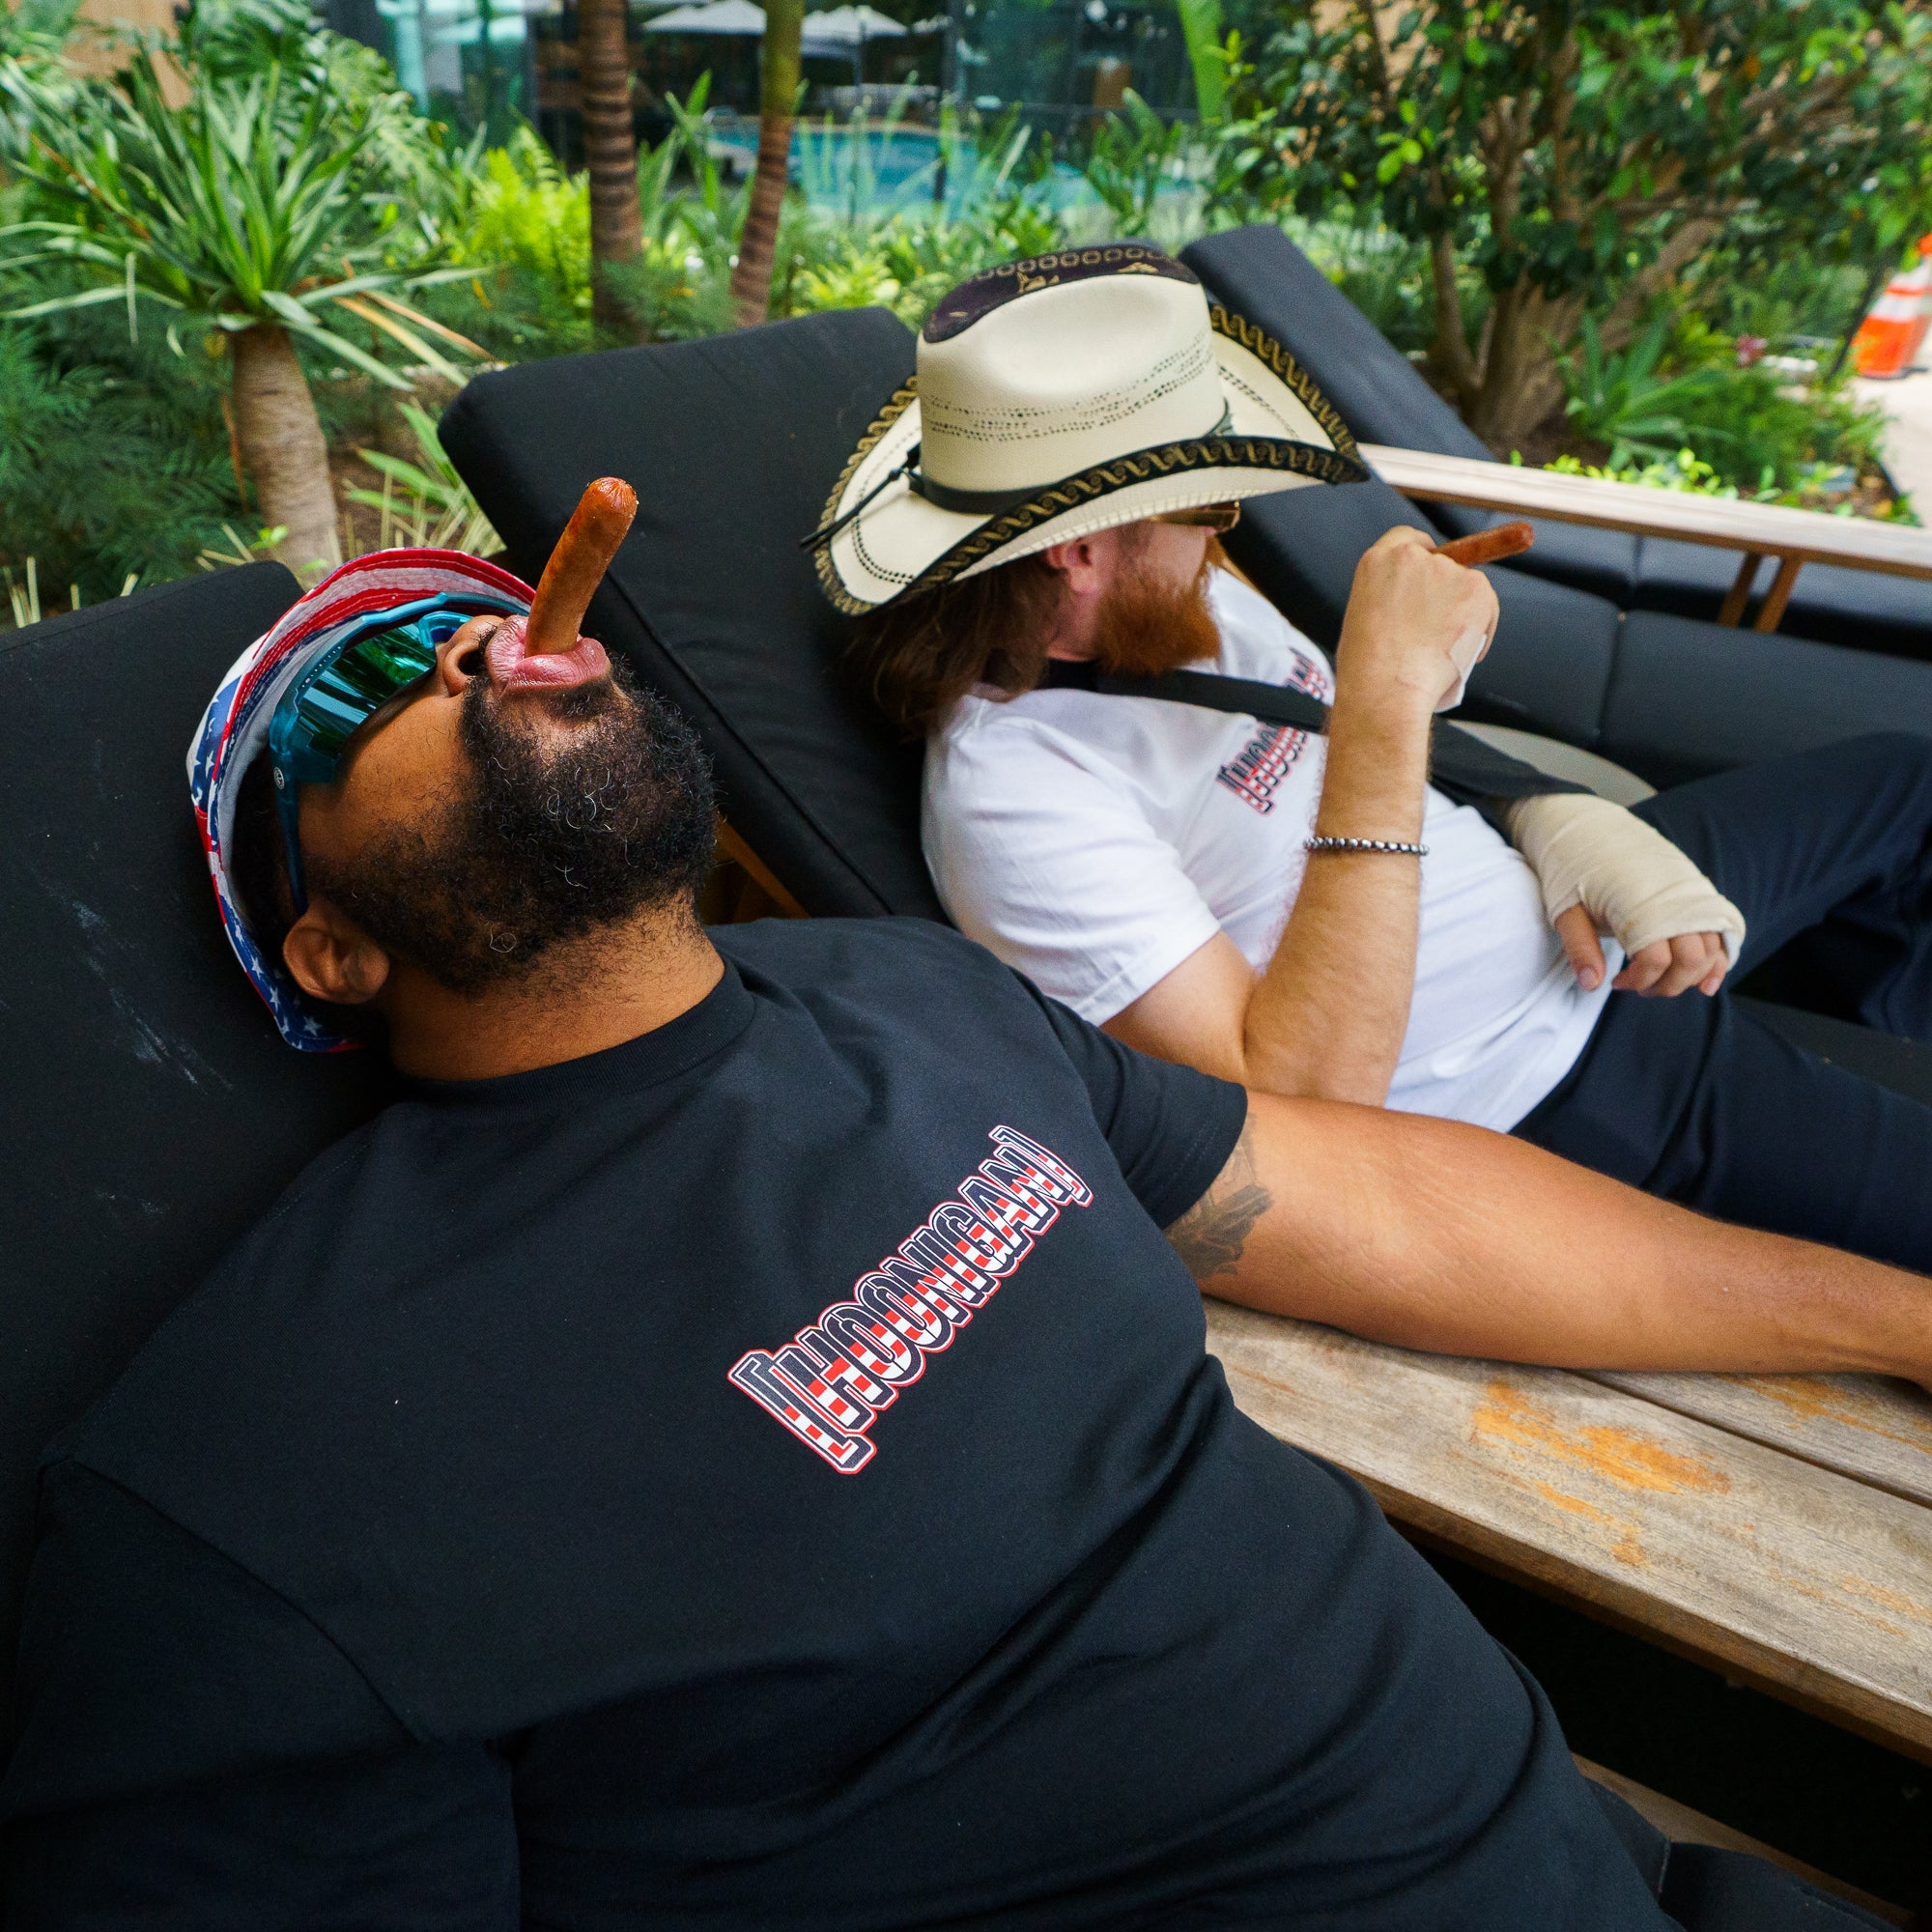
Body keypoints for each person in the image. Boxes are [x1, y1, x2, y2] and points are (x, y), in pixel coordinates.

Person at [3, 535, 1925, 1932]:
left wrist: (1898, 1320)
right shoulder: (264, 1487)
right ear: (325, 947)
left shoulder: (910, 1000)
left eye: (470, 623)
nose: (483, 654)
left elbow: (1380, 1200)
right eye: (365, 694)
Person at [828, 244, 1932, 1272]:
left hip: (1566, 906)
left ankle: (1833, 1016)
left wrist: (1545, 813)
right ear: (1077, 551)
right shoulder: (1016, 800)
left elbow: (1339, 750)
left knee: (1903, 780)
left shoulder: (1166, 609)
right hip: (1545, 1076)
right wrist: (1389, 698)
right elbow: (1303, 1106)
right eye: (1204, 501)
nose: (1225, 529)